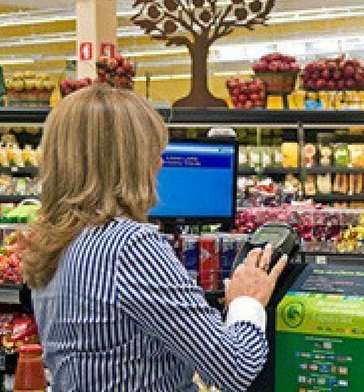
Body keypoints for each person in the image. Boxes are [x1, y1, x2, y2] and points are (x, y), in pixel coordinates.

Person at [21, 85, 287, 392]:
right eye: (153, 151)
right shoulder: (128, 247)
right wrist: (247, 300)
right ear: (129, 161)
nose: (160, 164)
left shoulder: (53, 239)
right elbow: (235, 369)